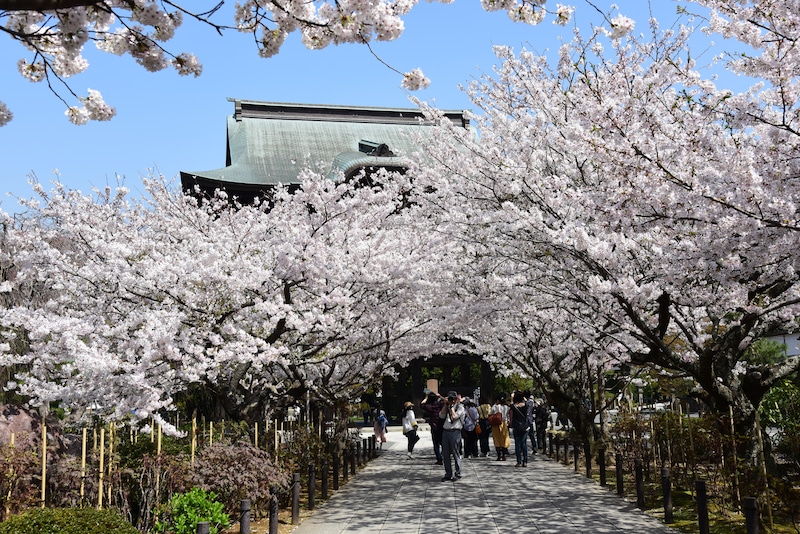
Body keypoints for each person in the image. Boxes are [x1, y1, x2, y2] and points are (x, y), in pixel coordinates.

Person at [439, 390, 465, 481]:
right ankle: (448, 473)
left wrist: (452, 407)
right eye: (450, 399)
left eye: (453, 399)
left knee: (455, 453)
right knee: (445, 454)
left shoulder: (460, 407)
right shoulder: (447, 406)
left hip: (455, 432)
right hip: (446, 431)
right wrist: (446, 405)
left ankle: (458, 473)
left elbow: (454, 417)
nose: (452, 401)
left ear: (456, 399)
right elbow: (441, 416)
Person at [420, 391, 444, 464]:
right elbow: (446, 401)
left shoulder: (429, 406)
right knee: (443, 442)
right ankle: (445, 455)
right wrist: (440, 396)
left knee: (436, 444)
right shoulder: (439, 405)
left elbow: (421, 405)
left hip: (434, 426)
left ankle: (439, 459)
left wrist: (426, 397)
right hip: (442, 425)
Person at [510, 391, 530, 467]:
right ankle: (525, 461)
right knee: (524, 443)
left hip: (516, 427)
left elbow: (511, 404)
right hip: (524, 427)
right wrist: (524, 398)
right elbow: (527, 402)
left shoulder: (514, 407)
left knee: (517, 444)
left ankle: (519, 461)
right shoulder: (525, 405)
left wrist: (512, 398)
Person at [490, 394, 510, 461]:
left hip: (496, 424)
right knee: (504, 438)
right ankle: (504, 455)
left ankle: (499, 456)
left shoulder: (495, 406)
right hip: (504, 423)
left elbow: (490, 413)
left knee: (497, 439)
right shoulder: (507, 407)